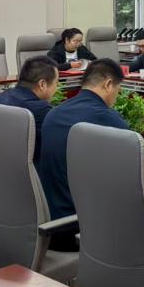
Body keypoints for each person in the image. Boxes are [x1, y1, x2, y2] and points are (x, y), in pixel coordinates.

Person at [38, 58, 128, 248]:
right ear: (108, 84)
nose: (116, 96)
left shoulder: (55, 113)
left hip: (48, 222)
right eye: (118, 89)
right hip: (79, 230)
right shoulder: (107, 118)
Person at [0, 55, 60, 162]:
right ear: (42, 84)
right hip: (30, 169)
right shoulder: (41, 110)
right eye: (56, 82)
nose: (57, 86)